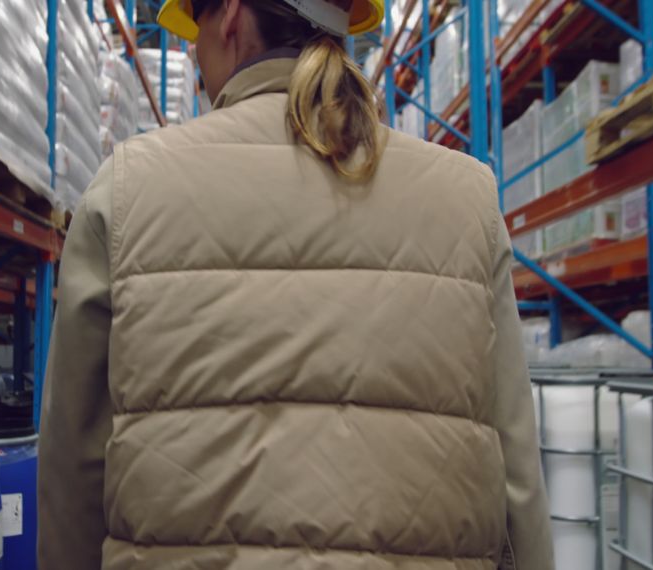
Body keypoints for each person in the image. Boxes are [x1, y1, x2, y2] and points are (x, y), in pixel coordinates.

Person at [37, 0, 554, 568]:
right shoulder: (468, 200)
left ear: (231, 15)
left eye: (197, 25)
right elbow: (517, 482)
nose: (192, 49)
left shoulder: (126, 191)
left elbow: (74, 476)